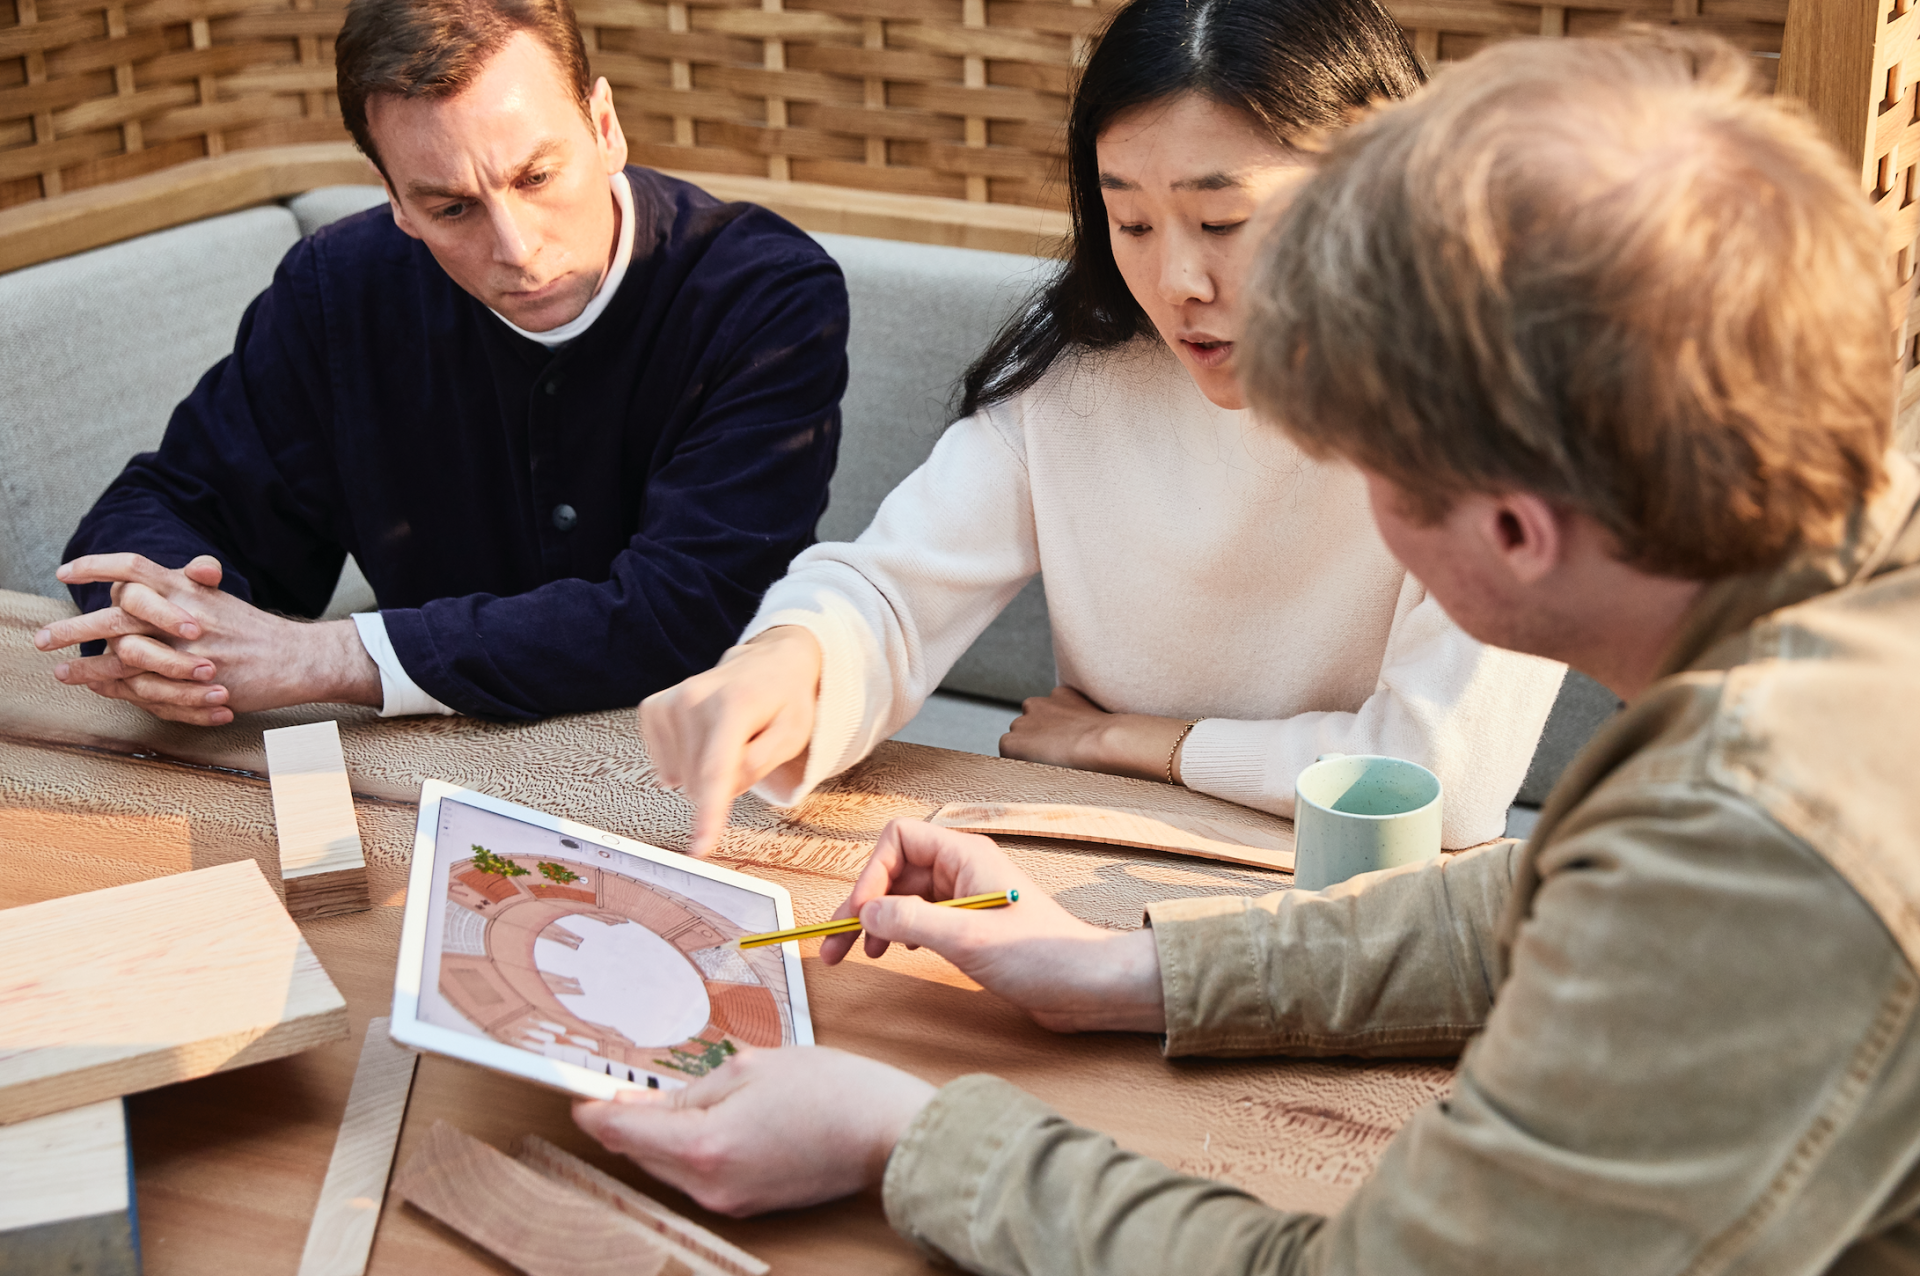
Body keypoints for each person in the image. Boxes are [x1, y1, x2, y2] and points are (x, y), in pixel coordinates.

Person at [571, 31, 1920, 1273]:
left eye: (1366, 462)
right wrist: (1123, 971)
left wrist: (906, 1135)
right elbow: (1540, 899)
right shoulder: (1852, 573)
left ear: (1512, 531)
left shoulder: (1756, 837)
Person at [639, 0, 1566, 857]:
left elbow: (1439, 783)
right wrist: (782, 663)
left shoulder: (1497, 408)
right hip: (1100, 841)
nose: (1177, 284)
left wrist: (1134, 742)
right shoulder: (1079, 373)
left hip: (1348, 894)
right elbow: (892, 591)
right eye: (1131, 220)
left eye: (1222, 219)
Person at [33, 0, 846, 725]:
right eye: (450, 207)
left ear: (604, 128)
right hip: (427, 759)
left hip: (695, 760)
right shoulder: (338, 290)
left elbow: (687, 612)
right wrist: (171, 630)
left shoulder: (765, 294)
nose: (517, 249)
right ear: (394, 200)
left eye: (536, 176)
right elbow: (173, 500)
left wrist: (325, 658)